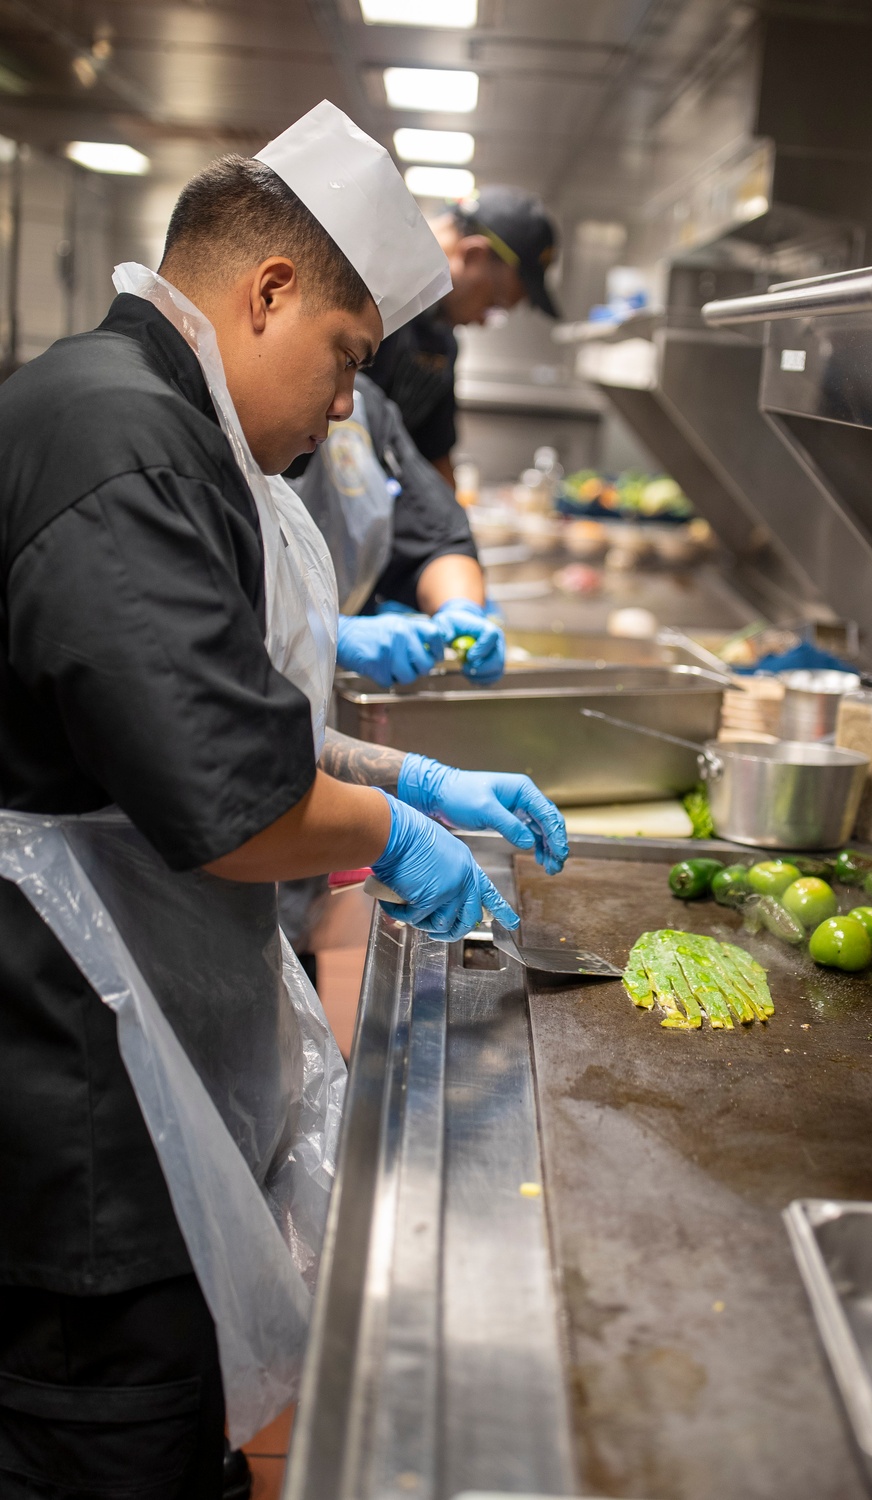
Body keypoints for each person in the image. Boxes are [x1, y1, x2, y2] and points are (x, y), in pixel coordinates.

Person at [0, 100, 567, 1499]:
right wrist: (395, 829)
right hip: (66, 1088)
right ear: (266, 293)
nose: (339, 408)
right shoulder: (122, 443)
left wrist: (404, 771)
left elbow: (228, 727)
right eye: (343, 360)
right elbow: (231, 794)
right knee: (107, 1447)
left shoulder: (155, 420)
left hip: (115, 1057)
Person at [287, 370, 506, 687]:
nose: (344, 405)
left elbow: (436, 537)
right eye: (342, 354)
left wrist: (460, 609)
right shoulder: (200, 419)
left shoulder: (361, 409)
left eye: (355, 364)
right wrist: (322, 632)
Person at [367, 185, 561, 487]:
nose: (484, 323)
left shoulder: (442, 341)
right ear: (473, 254)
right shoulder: (368, 283)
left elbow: (436, 453)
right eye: (494, 304)